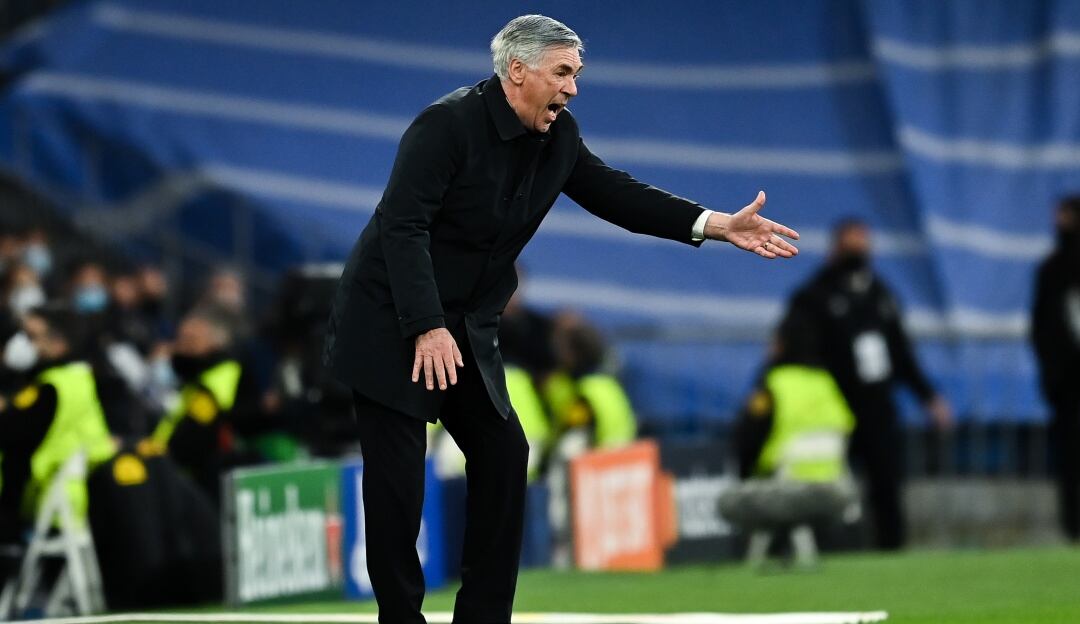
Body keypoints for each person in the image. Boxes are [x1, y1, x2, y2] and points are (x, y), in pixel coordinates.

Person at [324, 15, 800, 623]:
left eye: (576, 74)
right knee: (398, 485)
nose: (573, 88)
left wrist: (715, 224)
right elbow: (403, 224)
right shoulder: (446, 125)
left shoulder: (559, 137)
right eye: (563, 72)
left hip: (464, 326)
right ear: (517, 71)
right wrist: (425, 324)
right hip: (391, 319)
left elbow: (616, 194)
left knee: (502, 454)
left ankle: (484, 617)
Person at [782, 218, 951, 550]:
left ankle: (892, 548)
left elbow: (901, 352)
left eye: (864, 242)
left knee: (885, 479)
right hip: (831, 406)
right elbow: (799, 347)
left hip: (877, 406)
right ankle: (823, 547)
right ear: (836, 248)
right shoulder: (815, 295)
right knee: (826, 481)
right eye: (852, 242)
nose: (860, 249)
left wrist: (928, 396)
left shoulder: (880, 294)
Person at [0, 304, 116, 545]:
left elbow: (11, 434)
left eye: (31, 337)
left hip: (42, 503)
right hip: (65, 503)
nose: (20, 343)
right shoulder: (76, 378)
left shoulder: (53, 388)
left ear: (59, 344)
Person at [1031, 195, 1080, 542]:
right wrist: (1052, 374)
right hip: (1069, 384)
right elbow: (1041, 328)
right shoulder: (1052, 269)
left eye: (1066, 217)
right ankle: (1074, 528)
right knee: (1071, 458)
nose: (1060, 224)